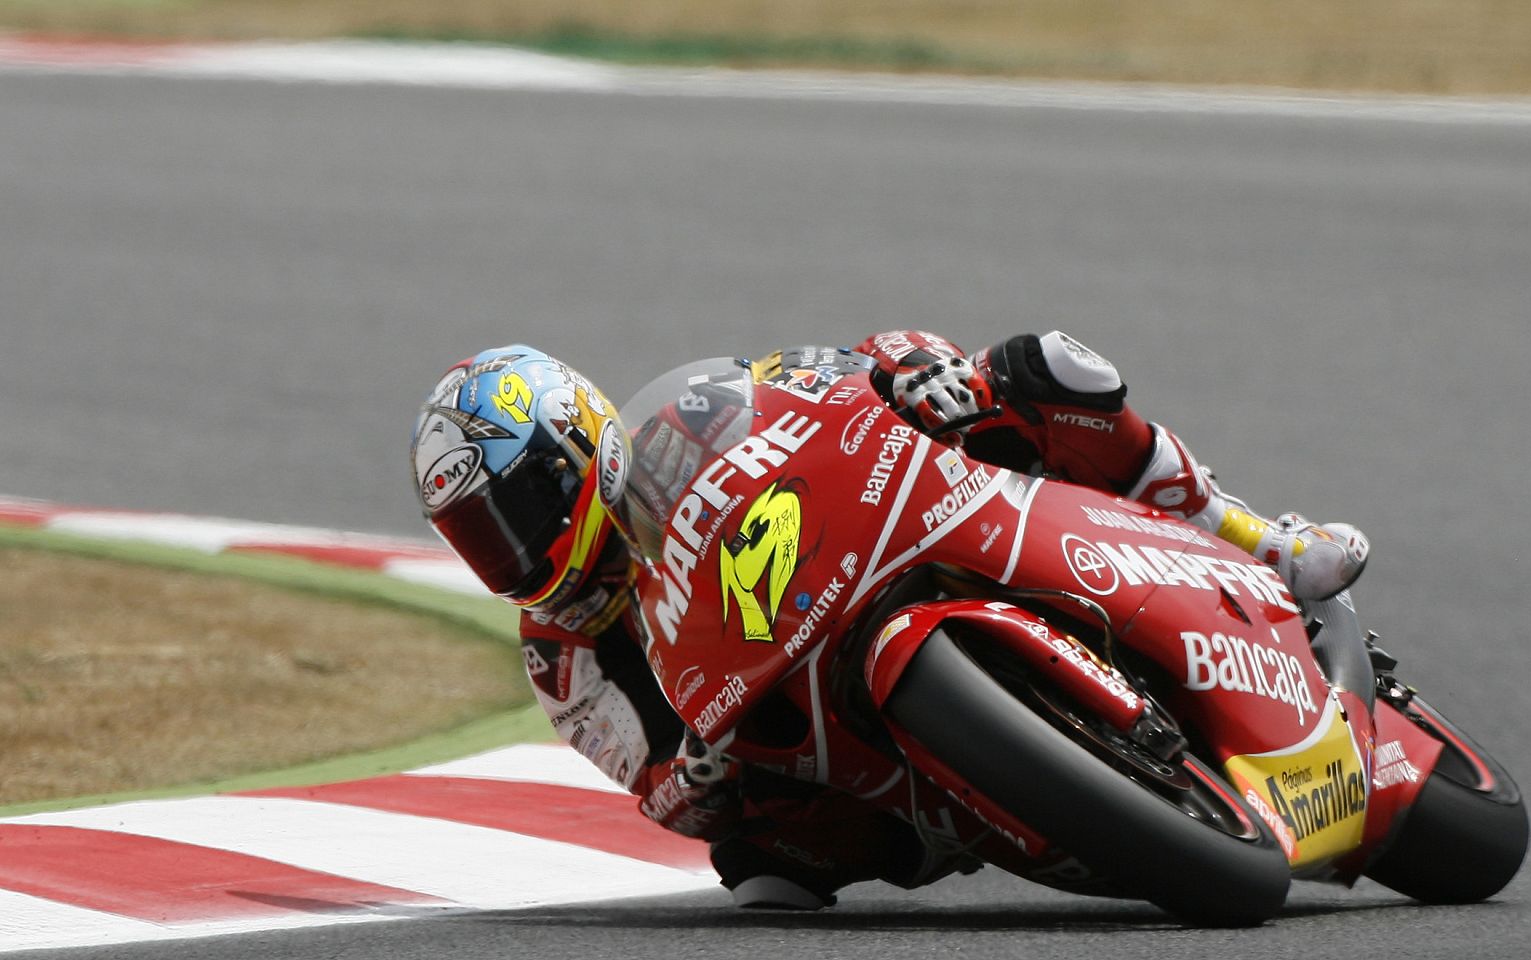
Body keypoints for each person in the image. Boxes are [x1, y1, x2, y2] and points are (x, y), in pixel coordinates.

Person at [409, 331, 1369, 909]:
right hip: (806, 730)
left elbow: (832, 367)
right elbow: (645, 780)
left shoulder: (688, 415)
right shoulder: (561, 655)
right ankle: (975, 802)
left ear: (576, 446)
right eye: (479, 538)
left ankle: (1257, 539)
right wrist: (688, 780)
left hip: (864, 542)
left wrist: (913, 371)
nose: (511, 551)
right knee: (756, 867)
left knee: (1039, 367)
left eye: (514, 512)